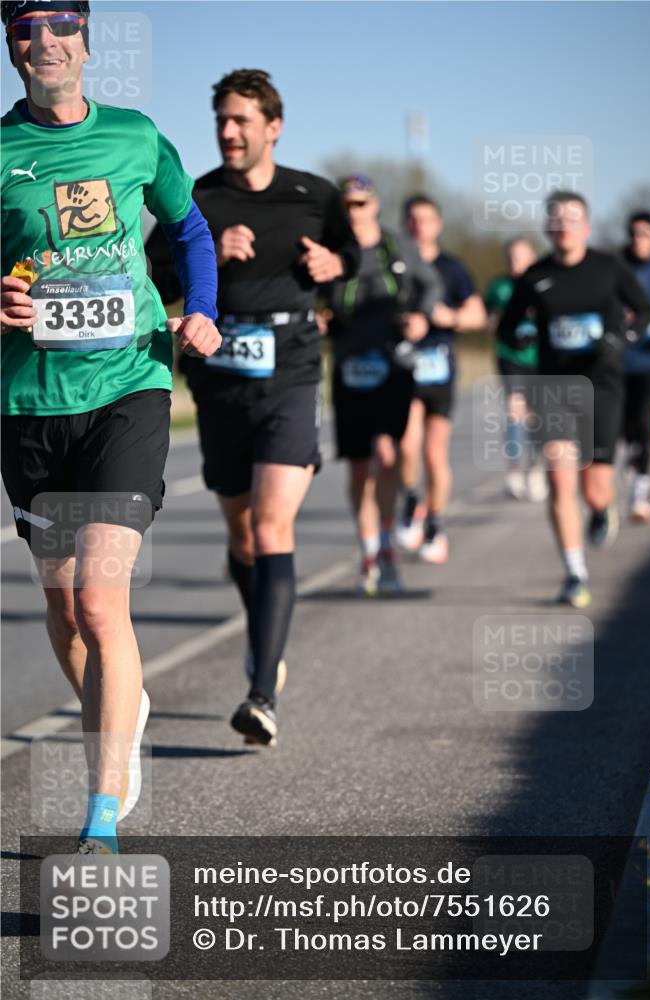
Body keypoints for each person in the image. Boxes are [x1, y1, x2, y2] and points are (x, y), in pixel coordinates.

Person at [0, 1, 221, 853]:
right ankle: (124, 710)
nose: (46, 43)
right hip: (30, 404)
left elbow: (189, 226)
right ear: (12, 47)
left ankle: (100, 819)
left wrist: (201, 309)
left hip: (130, 385)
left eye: (61, 27)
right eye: (27, 29)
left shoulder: (135, 136)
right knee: (66, 617)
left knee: (100, 601)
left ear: (86, 43)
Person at [146, 70, 359, 746]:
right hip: (219, 379)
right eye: (221, 119)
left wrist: (335, 267)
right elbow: (151, 276)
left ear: (274, 126)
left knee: (271, 528)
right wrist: (212, 256)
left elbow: (354, 254)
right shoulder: (197, 197)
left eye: (241, 119)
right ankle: (262, 637)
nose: (228, 131)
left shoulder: (313, 193)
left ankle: (261, 693)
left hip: (291, 370)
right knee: (242, 535)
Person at [498, 191, 650, 608]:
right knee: (559, 476)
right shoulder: (534, 276)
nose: (563, 224)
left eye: (572, 217)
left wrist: (623, 338)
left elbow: (645, 312)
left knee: (595, 488)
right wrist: (521, 339)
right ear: (547, 227)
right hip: (554, 387)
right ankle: (574, 573)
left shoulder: (609, 267)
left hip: (603, 386)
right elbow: (507, 328)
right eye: (556, 218)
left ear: (586, 226)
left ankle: (602, 509)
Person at [319, 177, 441, 593]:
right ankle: (369, 550)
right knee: (358, 468)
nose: (354, 212)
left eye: (361, 204)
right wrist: (319, 315)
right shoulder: (331, 247)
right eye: (346, 205)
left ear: (374, 205)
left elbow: (431, 283)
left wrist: (422, 316)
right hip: (349, 364)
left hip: (392, 362)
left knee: (388, 454)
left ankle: (388, 547)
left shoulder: (396, 245)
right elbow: (310, 291)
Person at [397, 195, 487, 563]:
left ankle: (435, 523)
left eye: (426, 219)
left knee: (435, 454)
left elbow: (477, 316)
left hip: (439, 369)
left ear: (438, 225)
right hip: (403, 367)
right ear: (404, 224)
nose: (419, 226)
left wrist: (446, 318)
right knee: (406, 446)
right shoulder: (395, 264)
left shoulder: (452, 268)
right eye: (412, 219)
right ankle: (411, 498)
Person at [484, 238, 548, 502]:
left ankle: (535, 468)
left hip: (539, 357)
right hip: (510, 355)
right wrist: (497, 323)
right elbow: (485, 315)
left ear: (532, 257)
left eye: (520, 257)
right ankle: (514, 471)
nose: (515, 262)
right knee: (514, 409)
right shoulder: (499, 286)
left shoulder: (543, 282)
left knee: (536, 415)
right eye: (510, 257)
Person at [621, 212, 650, 522]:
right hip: (623, 359)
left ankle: (641, 491)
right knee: (629, 428)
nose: (639, 240)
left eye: (646, 234)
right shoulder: (617, 268)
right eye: (634, 234)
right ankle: (638, 464)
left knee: (647, 419)